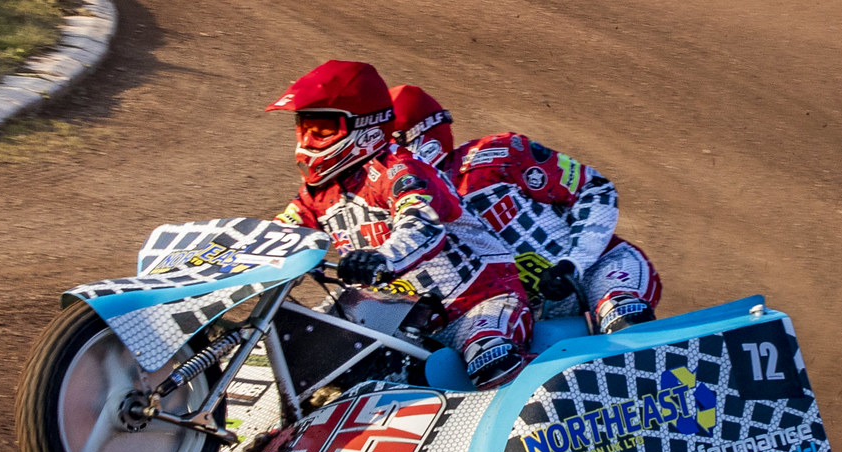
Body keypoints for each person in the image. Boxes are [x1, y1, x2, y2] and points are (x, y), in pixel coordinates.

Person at [266, 61, 532, 390]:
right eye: (304, 127)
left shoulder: (401, 169)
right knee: (306, 340)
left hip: (477, 303)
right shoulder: (319, 190)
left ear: (366, 128)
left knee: (491, 359)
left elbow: (422, 226)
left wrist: (384, 258)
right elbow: (281, 233)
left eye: (321, 130)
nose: (308, 139)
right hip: (395, 309)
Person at [388, 84, 661, 334]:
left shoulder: (496, 154)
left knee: (622, 317)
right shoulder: (396, 205)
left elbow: (595, 188)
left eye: (391, 147)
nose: (386, 161)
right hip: (529, 313)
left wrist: (574, 263)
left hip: (599, 270)